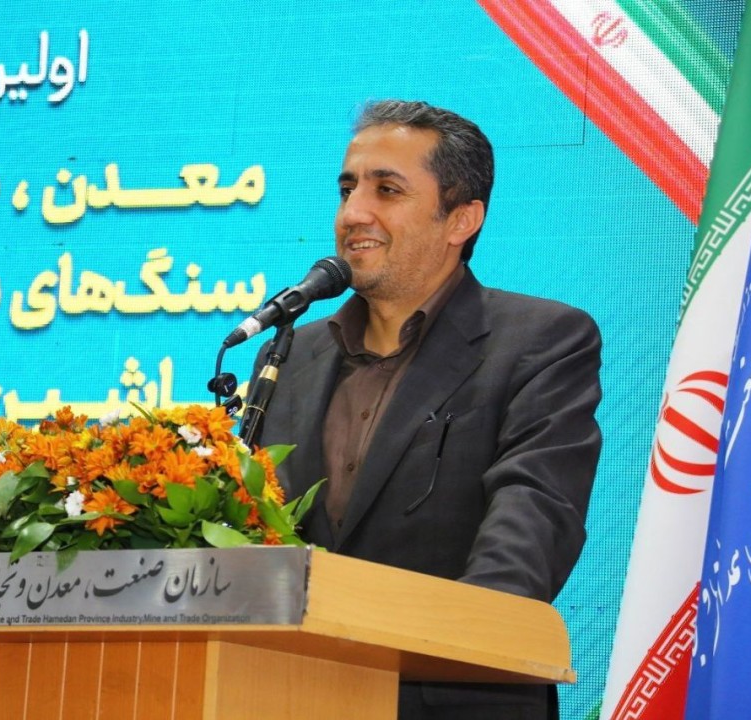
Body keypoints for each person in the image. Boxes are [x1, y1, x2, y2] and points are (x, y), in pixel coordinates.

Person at [252, 100, 602, 719]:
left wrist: (446, 640)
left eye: (387, 190)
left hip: (455, 699)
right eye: (347, 189)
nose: (353, 214)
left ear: (461, 219)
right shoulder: (289, 356)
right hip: (289, 695)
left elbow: (533, 520)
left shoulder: (541, 342)